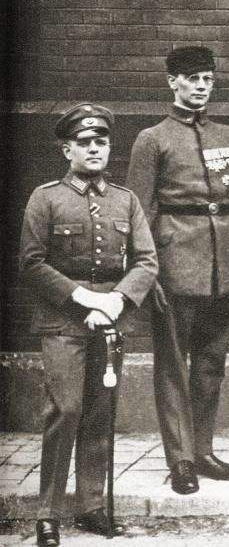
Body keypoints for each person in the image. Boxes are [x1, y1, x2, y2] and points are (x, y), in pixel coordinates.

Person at [20, 103, 158, 546]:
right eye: (84, 143)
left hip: (110, 320)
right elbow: (32, 263)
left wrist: (115, 300)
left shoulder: (126, 199)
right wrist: (85, 299)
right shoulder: (46, 198)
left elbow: (146, 261)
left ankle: (92, 506)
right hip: (63, 322)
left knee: (100, 413)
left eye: (101, 142)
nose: (94, 149)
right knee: (67, 410)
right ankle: (48, 514)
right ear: (67, 150)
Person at [127, 46, 229, 495]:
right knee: (173, 367)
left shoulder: (225, 134)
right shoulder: (153, 138)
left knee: (210, 363)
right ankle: (179, 458)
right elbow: (138, 210)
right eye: (192, 78)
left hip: (223, 265)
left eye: (207, 78)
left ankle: (202, 450)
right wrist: (149, 272)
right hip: (174, 264)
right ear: (172, 83)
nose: (201, 86)